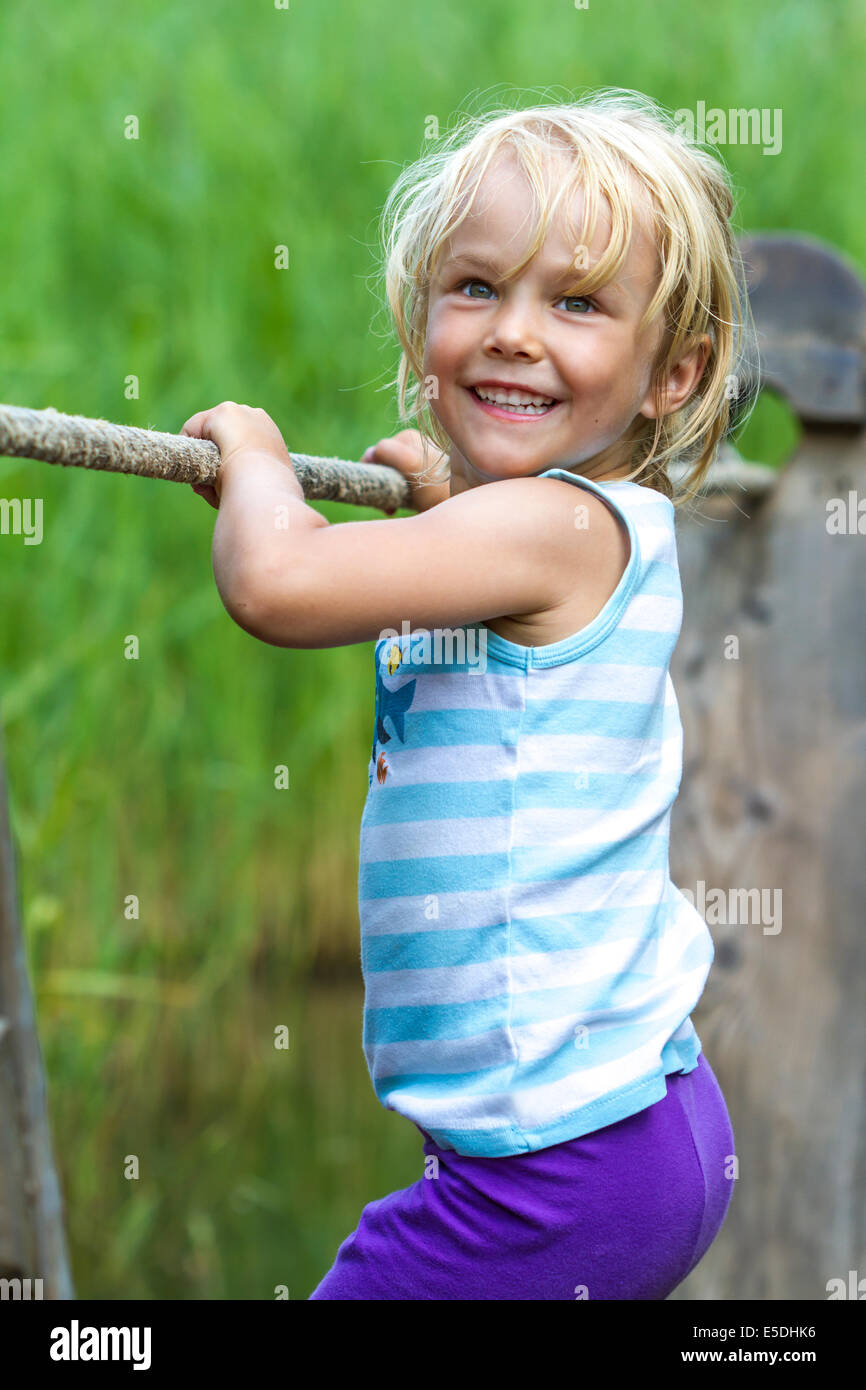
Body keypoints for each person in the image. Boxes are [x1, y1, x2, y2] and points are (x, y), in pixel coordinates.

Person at [183, 88, 754, 1300]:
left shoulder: (551, 530)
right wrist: (448, 506)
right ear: (420, 317)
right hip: (637, 1127)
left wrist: (254, 461)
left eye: (578, 302)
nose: (512, 330)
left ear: (672, 374)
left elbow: (277, 584)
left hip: (553, 1171)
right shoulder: (567, 538)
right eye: (477, 287)